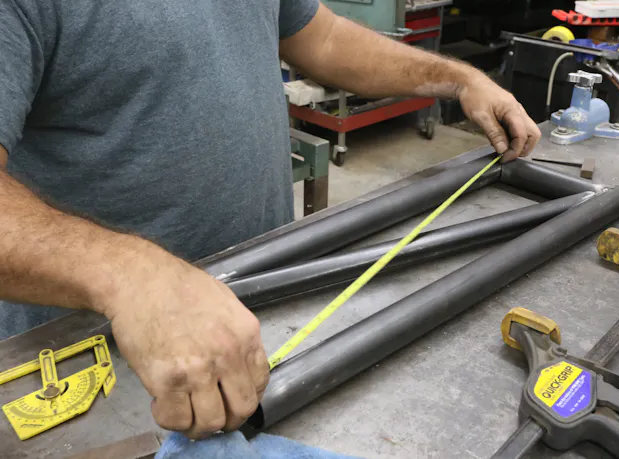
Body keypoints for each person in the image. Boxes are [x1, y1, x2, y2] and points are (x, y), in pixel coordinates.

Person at [0, 0, 541, 441]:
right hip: (98, 362)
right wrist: (130, 277)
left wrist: (455, 78)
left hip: (272, 311)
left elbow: (323, 38)